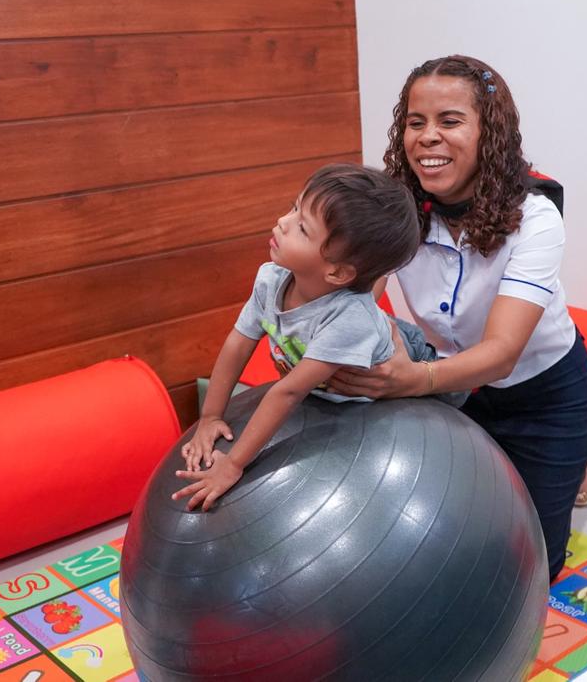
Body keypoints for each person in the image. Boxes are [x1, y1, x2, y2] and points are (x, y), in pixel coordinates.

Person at [327, 55, 587, 581]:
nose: (428, 137)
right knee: (457, 536)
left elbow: (501, 354)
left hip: (544, 395)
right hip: (453, 390)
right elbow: (357, 295)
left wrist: (410, 380)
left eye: (449, 121)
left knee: (533, 566)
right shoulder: (397, 209)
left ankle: (575, 455)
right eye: (416, 122)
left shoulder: (536, 217)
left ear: (488, 132)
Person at [172, 163, 462, 512]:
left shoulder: (349, 320)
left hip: (406, 357)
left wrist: (233, 465)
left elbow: (289, 391)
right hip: (345, 365)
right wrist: (210, 417)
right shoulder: (271, 279)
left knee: (455, 403)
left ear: (337, 272)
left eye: (302, 228)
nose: (283, 221)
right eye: (294, 208)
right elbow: (238, 342)